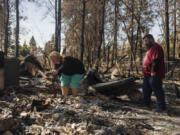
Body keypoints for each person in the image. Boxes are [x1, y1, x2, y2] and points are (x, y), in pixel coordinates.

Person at [139, 34, 166, 112]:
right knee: (145, 89)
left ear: (151, 39)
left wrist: (153, 72)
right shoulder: (149, 49)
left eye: (146, 40)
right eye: (144, 40)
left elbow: (155, 61)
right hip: (147, 74)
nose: (145, 42)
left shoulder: (156, 47)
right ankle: (145, 104)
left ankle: (161, 107)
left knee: (157, 90)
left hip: (154, 74)